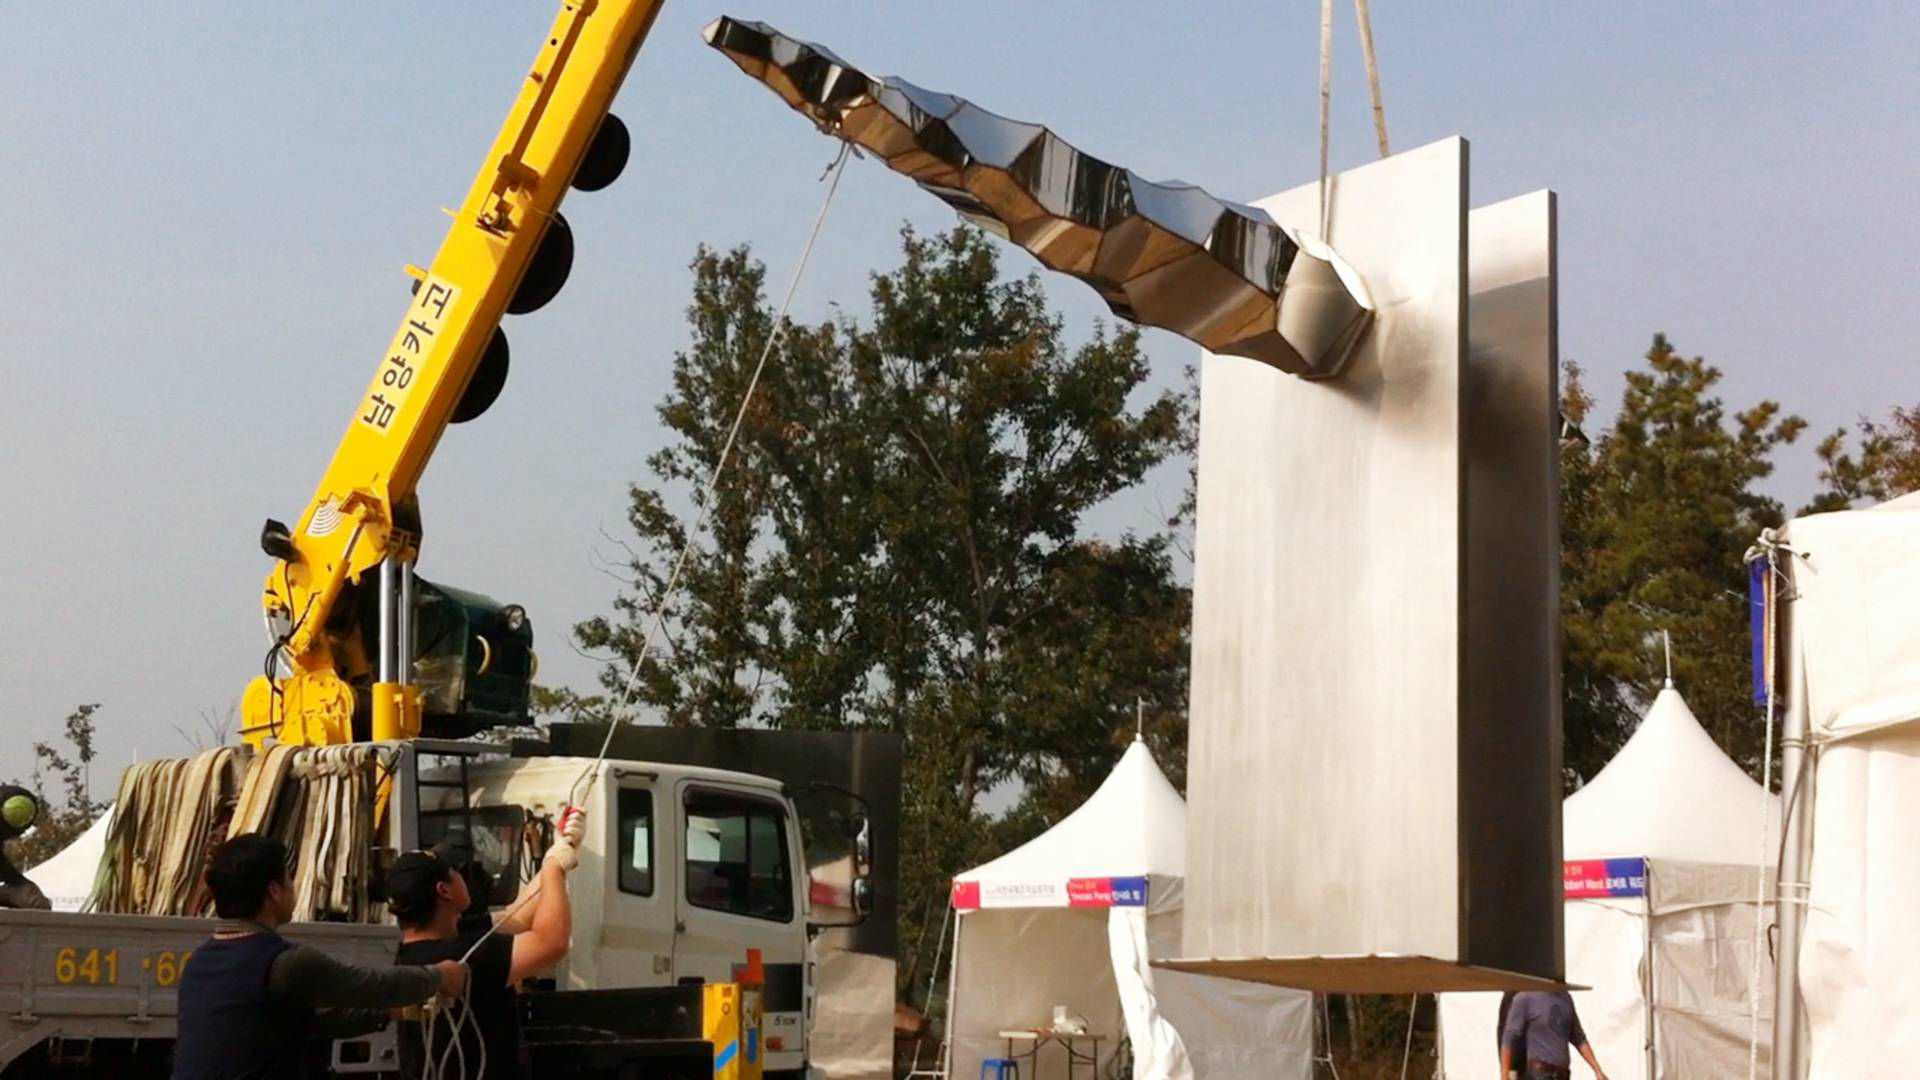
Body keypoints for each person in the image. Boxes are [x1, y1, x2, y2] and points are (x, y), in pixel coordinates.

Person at [174, 833, 465, 1080]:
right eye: (289, 879)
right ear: (274, 892)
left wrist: (391, 1013)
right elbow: (372, 986)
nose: (293, 888)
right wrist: (439, 976)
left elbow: (306, 1024)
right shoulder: (286, 964)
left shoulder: (199, 962)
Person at [385, 808, 586, 1080]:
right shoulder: (462, 956)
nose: (464, 876)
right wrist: (552, 868)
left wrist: (561, 847)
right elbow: (552, 942)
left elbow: (520, 913)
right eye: (454, 872)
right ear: (444, 890)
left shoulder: (419, 950)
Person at [1500, 989, 1607, 1080]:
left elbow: (1579, 1037)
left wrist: (1597, 1070)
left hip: (1562, 1074)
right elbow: (1509, 1037)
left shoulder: (1565, 998)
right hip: (1540, 1073)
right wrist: (1505, 1073)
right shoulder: (1525, 998)